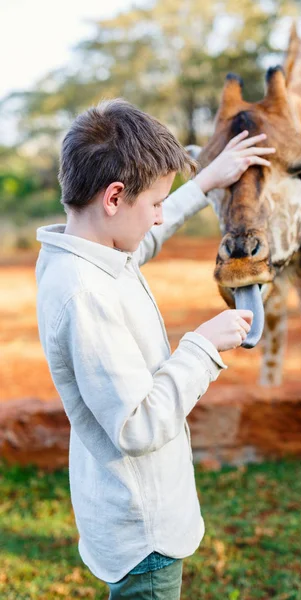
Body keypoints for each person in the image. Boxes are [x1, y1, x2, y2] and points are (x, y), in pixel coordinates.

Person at [35, 98, 275, 600]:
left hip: (130, 514)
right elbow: (137, 424)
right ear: (115, 197)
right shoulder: (85, 294)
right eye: (156, 204)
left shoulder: (93, 254)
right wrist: (203, 347)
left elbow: (139, 243)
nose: (161, 218)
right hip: (144, 536)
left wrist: (206, 179)